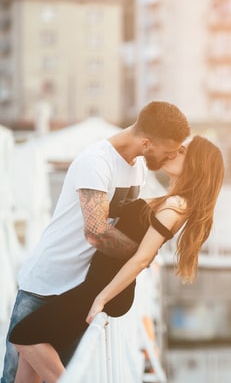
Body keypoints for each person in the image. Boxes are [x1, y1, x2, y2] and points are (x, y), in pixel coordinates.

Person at [1, 101, 191, 383]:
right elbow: (96, 232)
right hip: (45, 285)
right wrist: (142, 256)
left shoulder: (137, 166)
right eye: (170, 150)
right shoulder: (96, 162)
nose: (172, 156)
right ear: (147, 142)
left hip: (77, 289)